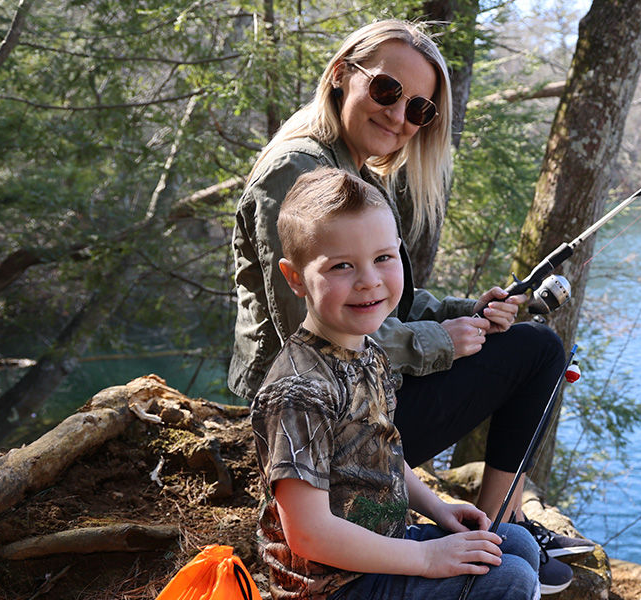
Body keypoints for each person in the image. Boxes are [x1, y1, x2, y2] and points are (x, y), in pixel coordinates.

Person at [229, 19, 593, 591]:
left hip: (356, 405)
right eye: (387, 91)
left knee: (512, 543)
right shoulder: (297, 172)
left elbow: (383, 304)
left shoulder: (352, 167)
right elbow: (305, 326)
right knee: (539, 354)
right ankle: (501, 523)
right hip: (319, 424)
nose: (400, 117)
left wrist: (463, 311)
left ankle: (504, 522)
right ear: (341, 76)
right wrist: (441, 343)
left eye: (420, 109)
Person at [253, 167, 540, 600]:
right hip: (331, 585)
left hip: (378, 546)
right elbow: (308, 534)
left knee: (515, 544)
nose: (369, 280)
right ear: (295, 278)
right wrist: (428, 559)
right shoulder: (299, 390)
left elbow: (383, 453)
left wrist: (438, 510)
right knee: (510, 580)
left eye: (383, 258)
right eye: (342, 265)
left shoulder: (368, 351)